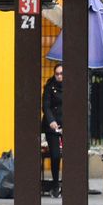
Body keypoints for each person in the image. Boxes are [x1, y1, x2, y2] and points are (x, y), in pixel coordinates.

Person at [41, 64, 64, 196]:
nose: (59, 76)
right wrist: (51, 121)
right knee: (55, 155)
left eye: (61, 73)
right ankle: (55, 184)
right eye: (57, 73)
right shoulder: (50, 86)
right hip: (53, 126)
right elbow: (46, 105)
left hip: (67, 123)